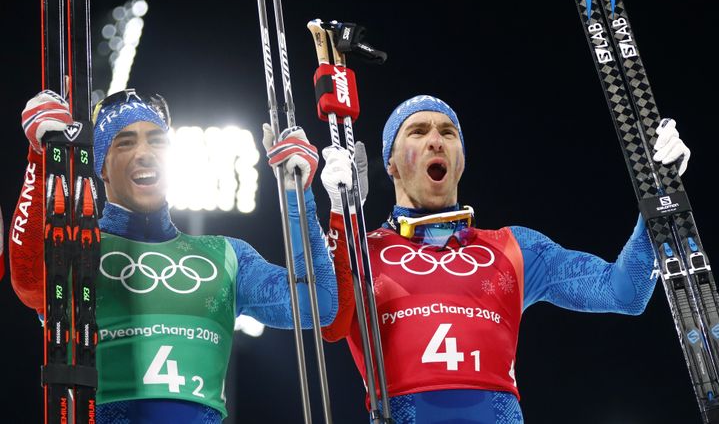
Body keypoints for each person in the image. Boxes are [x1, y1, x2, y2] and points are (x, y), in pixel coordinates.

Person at [320, 95, 690, 423]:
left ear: (461, 159)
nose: (436, 140)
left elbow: (624, 292)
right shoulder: (360, 251)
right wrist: (337, 212)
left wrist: (658, 198)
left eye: (449, 133)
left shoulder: (513, 248)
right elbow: (325, 319)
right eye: (417, 131)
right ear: (391, 162)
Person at [10, 89, 338, 423]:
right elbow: (31, 282)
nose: (145, 153)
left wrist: (299, 198)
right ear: (102, 168)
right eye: (124, 142)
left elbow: (319, 304)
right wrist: (40, 159)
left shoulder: (225, 255)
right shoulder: (81, 248)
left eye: (157, 141)